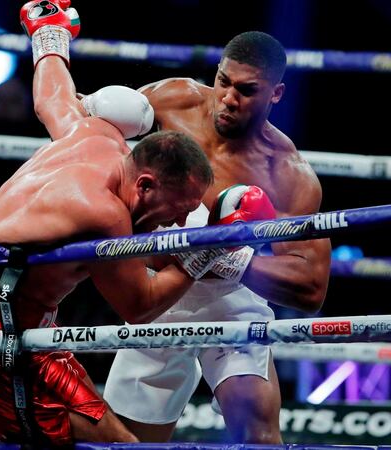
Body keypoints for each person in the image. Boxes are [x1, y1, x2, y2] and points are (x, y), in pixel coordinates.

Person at [0, 2, 233, 445]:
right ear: (145, 184)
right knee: (113, 445)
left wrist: (49, 33)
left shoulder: (94, 135)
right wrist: (208, 250)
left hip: (23, 320)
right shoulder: (103, 212)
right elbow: (141, 307)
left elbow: (51, 99)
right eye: (181, 206)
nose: (184, 218)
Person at [85, 31, 331, 443]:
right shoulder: (172, 100)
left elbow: (310, 289)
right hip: (157, 295)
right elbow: (89, 147)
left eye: (247, 90)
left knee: (258, 435)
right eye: (223, 81)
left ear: (276, 93)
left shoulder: (287, 174)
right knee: (131, 441)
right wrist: (87, 108)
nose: (229, 98)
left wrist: (223, 254)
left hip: (230, 299)